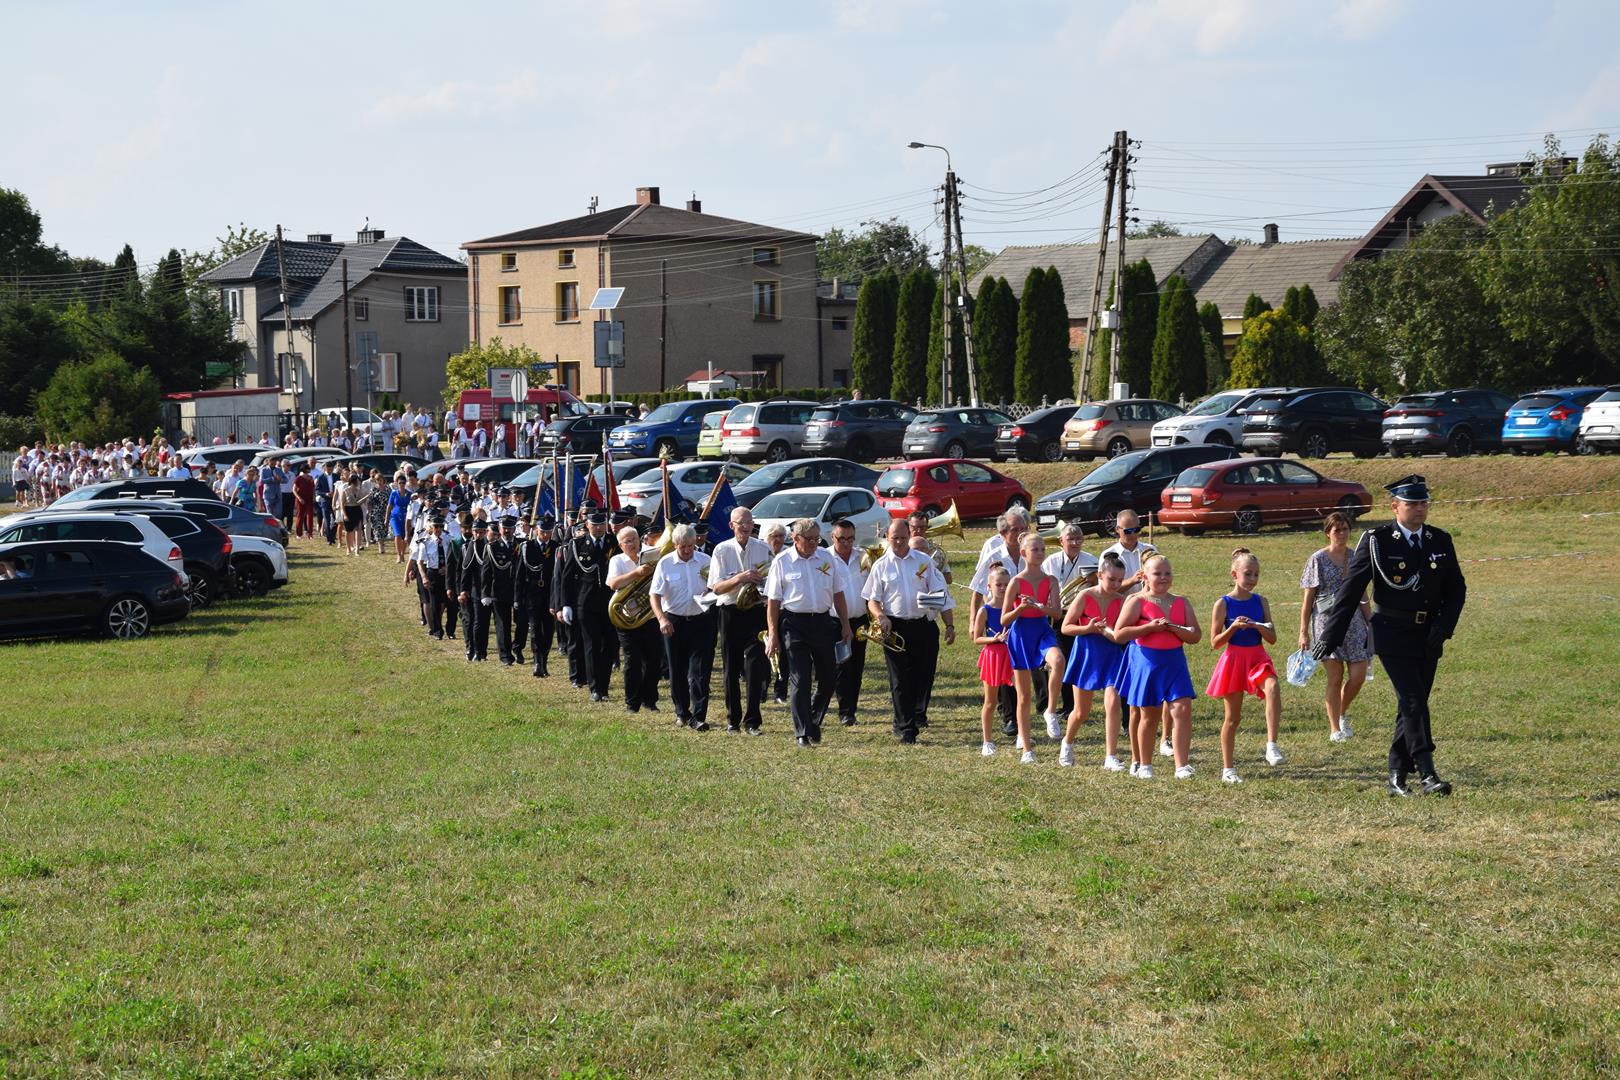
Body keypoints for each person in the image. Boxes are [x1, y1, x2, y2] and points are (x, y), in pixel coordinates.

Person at [1314, 475, 1466, 797]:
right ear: (1395, 507)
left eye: (1424, 502)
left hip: (1429, 634)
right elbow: (1350, 591)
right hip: (1392, 632)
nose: (1420, 509)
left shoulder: (1440, 540)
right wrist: (1331, 635)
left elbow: (1457, 589)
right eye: (1412, 503)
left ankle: (1396, 775)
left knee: (1412, 703)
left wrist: (1444, 627)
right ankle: (1427, 772)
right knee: (1412, 699)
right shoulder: (1378, 540)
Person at [863, 518, 954, 744]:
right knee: (900, 679)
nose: (900, 542)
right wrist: (881, 616)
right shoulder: (880, 566)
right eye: (895, 538)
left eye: (903, 538)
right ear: (888, 538)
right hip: (896, 626)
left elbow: (941, 594)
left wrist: (949, 625)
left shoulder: (924, 561)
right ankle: (906, 728)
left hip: (924, 625)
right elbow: (872, 600)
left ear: (909, 536)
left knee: (923, 676)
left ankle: (910, 716)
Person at [764, 518, 854, 748]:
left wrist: (845, 624)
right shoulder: (782, 562)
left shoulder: (826, 558)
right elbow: (773, 601)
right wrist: (773, 633)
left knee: (828, 678)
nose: (815, 543)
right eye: (810, 539)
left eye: (817, 539)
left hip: (823, 622)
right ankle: (802, 732)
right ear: (795, 539)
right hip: (794, 624)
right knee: (800, 678)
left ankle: (813, 717)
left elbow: (839, 593)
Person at [1115, 554, 1201, 780]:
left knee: (1182, 709)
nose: (1163, 578)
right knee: (1149, 715)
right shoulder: (1137, 601)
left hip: (1175, 661)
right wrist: (1149, 628)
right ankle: (1145, 764)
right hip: (1147, 662)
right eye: (1157, 573)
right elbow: (1119, 634)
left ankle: (1181, 765)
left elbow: (1195, 636)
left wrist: (1174, 629)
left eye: (1167, 573)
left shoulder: (1181, 601)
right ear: (1144, 576)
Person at [1208, 548, 1284, 784]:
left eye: (1256, 575)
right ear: (1234, 574)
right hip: (1233, 660)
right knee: (1233, 718)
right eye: (1247, 574)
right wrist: (1232, 629)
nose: (1252, 579)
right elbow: (1214, 642)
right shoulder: (1223, 603)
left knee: (1272, 687)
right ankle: (1228, 769)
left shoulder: (1261, 601)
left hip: (1257, 657)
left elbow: (1272, 637)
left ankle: (1271, 744)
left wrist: (1256, 626)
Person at [1299, 511, 1372, 743]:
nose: (1341, 534)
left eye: (1345, 529)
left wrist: (1371, 621)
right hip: (1326, 623)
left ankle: (1341, 712)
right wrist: (1303, 632)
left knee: (1358, 675)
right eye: (1336, 530)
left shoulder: (1356, 557)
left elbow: (1362, 592)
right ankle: (1334, 728)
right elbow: (1308, 598)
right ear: (1327, 533)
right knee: (1335, 675)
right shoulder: (1317, 559)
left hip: (1354, 622)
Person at [1059, 551, 1129, 770]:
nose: (1116, 584)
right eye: (1112, 579)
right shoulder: (1085, 596)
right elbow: (1065, 627)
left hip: (1111, 655)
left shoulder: (1121, 600)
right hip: (1087, 654)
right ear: (1100, 574)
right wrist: (1088, 628)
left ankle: (1111, 756)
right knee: (1081, 711)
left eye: (1120, 580)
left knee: (1113, 702)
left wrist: (1113, 632)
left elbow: (1122, 630)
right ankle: (1067, 742)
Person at [1004, 533, 1066, 764]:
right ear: (1024, 553)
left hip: (1042, 630)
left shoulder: (1050, 580)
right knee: (1024, 696)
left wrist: (1041, 607)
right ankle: (1027, 748)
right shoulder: (1016, 582)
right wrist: (1020, 608)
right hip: (1021, 634)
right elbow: (1004, 619)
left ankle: (1050, 710)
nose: (1040, 553)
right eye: (1035, 550)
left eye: (1042, 549)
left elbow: (1057, 613)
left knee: (1058, 661)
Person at [709, 506, 772, 734]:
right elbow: (716, 588)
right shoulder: (721, 550)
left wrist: (763, 590)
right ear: (731, 526)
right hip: (730, 612)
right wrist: (740, 578)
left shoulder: (763, 549)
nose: (745, 527)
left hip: (755, 611)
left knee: (755, 666)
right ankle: (732, 719)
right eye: (740, 523)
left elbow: (772, 582)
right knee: (731, 667)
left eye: (748, 522)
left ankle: (753, 721)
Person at [650, 522, 715, 730]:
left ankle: (699, 715)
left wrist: (710, 593)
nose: (687, 550)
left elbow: (716, 586)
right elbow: (655, 595)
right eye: (682, 547)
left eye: (690, 546)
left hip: (700, 620)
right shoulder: (665, 563)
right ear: (675, 544)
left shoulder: (706, 561)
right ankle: (681, 711)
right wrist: (662, 619)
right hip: (674, 621)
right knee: (677, 670)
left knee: (700, 671)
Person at [1042, 523, 1098, 729]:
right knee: (1061, 659)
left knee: (1078, 659)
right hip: (1058, 617)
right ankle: (1058, 705)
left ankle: (1073, 706)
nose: (1075, 543)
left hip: (1081, 617)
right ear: (1061, 542)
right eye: (1071, 539)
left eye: (1079, 539)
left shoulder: (1092, 561)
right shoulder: (1050, 562)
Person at [607, 524, 662, 713]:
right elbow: (613, 583)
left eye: (634, 539)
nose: (632, 544)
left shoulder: (651, 554)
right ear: (620, 544)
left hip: (650, 615)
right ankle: (632, 702)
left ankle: (650, 699)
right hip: (627, 618)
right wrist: (636, 573)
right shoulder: (617, 560)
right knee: (633, 660)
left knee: (654, 659)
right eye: (627, 541)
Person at [569, 509, 618, 701]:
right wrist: (565, 604)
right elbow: (567, 576)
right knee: (591, 645)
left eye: (601, 524)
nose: (598, 528)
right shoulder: (577, 544)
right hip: (586, 602)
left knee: (610, 645)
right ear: (587, 525)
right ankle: (595, 688)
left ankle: (604, 687)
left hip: (611, 602)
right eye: (594, 524)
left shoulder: (614, 543)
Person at [828, 519, 869, 727]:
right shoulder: (824, 557)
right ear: (832, 537)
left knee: (856, 666)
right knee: (841, 666)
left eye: (850, 538)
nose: (846, 543)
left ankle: (850, 709)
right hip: (834, 620)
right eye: (841, 538)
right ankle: (844, 711)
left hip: (860, 619)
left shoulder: (863, 556)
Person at [973, 565, 1014, 756]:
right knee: (990, 701)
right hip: (994, 656)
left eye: (1007, 584)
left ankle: (1022, 735)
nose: (1003, 588)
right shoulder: (985, 610)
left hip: (1013, 655)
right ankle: (987, 741)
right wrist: (994, 639)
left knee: (1021, 698)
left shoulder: (1015, 607)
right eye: (999, 584)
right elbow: (977, 638)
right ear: (989, 586)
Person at [516, 514, 557, 678]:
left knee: (548, 631)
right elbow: (519, 575)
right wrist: (517, 598)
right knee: (535, 631)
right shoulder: (527, 547)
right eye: (542, 531)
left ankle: (544, 660)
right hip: (531, 596)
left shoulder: (556, 547)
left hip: (549, 596)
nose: (546, 535)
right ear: (536, 530)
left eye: (548, 531)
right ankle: (537, 662)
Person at [762, 522, 790, 704]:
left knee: (785, 651)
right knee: (765, 650)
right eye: (774, 537)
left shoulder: (788, 554)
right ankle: (763, 687)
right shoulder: (762, 553)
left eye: (781, 536)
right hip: (764, 607)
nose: (778, 540)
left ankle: (781, 689)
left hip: (785, 609)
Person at [485, 518, 519, 664]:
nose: (507, 531)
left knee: (521, 623)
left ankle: (518, 649)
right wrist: (486, 593)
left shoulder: (522, 545)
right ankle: (505, 655)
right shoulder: (492, 547)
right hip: (499, 591)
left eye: (510, 528)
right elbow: (486, 572)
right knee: (503, 624)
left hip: (519, 590)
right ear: (499, 529)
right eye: (504, 528)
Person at [458, 518, 493, 661]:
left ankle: (483, 651)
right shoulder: (470, 546)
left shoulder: (489, 546)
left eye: (481, 532)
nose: (478, 534)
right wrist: (463, 590)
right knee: (476, 621)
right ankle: (476, 650)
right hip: (476, 590)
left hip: (488, 590)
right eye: (476, 531)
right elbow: (465, 570)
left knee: (485, 622)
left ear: (486, 532)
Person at [412, 513, 450, 639]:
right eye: (436, 526)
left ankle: (436, 622)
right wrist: (424, 577)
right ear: (432, 527)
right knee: (434, 602)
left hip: (445, 574)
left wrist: (447, 568)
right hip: (432, 573)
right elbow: (420, 562)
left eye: (440, 526)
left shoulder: (448, 539)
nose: (438, 529)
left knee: (444, 602)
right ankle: (437, 631)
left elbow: (451, 558)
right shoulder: (426, 542)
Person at [387, 476, 412, 563]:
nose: (401, 484)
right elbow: (389, 506)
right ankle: (398, 555)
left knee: (404, 536)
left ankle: (402, 553)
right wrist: (386, 519)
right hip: (395, 517)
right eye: (400, 483)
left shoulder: (409, 494)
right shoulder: (393, 493)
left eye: (403, 483)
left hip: (405, 517)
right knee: (397, 535)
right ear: (397, 484)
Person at [292, 464, 316, 540]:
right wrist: (299, 498)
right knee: (300, 516)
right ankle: (299, 534)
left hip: (309, 499)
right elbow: (294, 490)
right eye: (308, 468)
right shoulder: (298, 478)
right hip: (301, 499)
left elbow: (313, 489)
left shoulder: (311, 478)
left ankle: (310, 533)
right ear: (305, 469)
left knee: (310, 516)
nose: (310, 469)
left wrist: (314, 497)